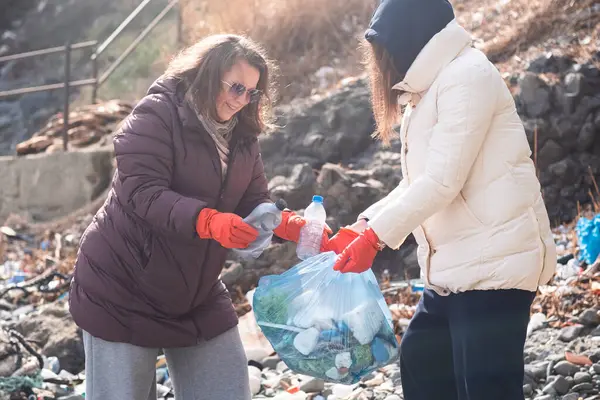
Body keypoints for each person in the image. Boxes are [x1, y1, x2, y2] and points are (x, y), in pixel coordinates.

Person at [69, 34, 325, 400]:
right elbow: (142, 192)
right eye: (236, 87)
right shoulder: (156, 114)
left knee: (228, 390)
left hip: (194, 289)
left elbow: (254, 202)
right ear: (207, 73)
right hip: (121, 286)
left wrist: (294, 227)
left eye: (251, 93)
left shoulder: (243, 136)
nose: (241, 101)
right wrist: (207, 221)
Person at [327, 1, 557, 399]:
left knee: (486, 390)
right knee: (423, 368)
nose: (380, 67)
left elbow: (442, 181)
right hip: (452, 270)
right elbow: (418, 182)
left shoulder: (467, 76)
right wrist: (365, 226)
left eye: (382, 53)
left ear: (407, 40)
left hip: (495, 266)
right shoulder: (429, 89)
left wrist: (375, 240)